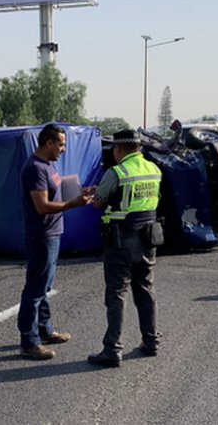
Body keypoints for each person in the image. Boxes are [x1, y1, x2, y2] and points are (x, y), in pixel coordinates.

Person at [88, 129, 163, 368]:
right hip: (149, 237)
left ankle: (112, 349)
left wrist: (97, 195)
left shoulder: (116, 171)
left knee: (116, 293)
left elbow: (98, 203)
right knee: (145, 289)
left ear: (119, 150)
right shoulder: (154, 169)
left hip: (121, 240)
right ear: (139, 148)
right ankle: (151, 341)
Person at [18, 124, 94, 360]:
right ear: (48, 143)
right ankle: (29, 342)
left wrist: (79, 192)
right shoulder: (35, 168)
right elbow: (42, 206)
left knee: (45, 287)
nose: (63, 149)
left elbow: (56, 194)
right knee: (35, 289)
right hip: (41, 235)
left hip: (53, 232)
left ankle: (45, 331)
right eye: (60, 144)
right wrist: (74, 204)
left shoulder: (48, 166)